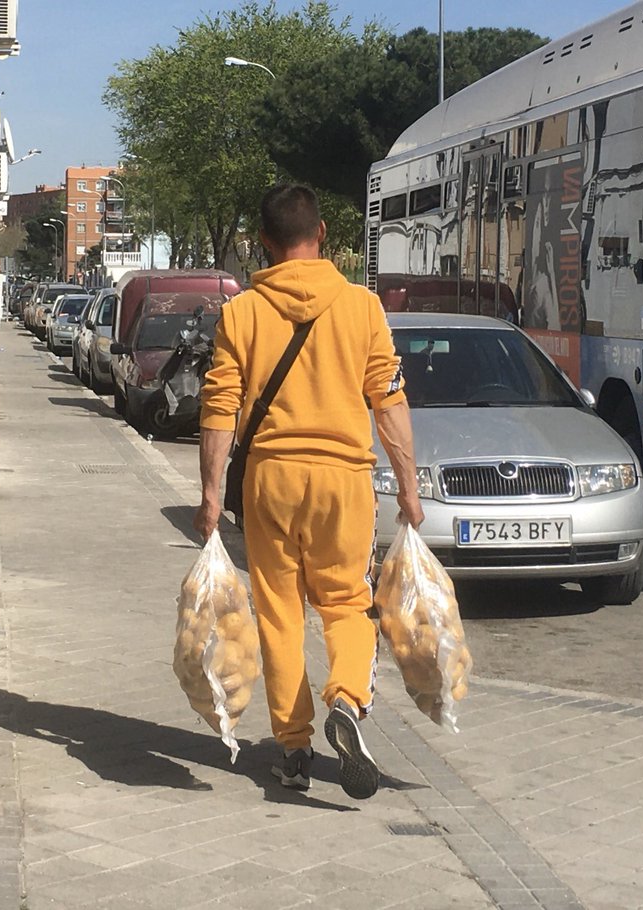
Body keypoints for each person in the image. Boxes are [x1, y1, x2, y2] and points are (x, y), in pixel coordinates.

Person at [194, 184, 424, 800]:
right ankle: (347, 698)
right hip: (345, 480)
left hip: (271, 478)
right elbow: (389, 401)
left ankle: (294, 750)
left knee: (280, 613)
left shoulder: (241, 313)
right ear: (321, 235)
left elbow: (220, 406)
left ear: (264, 245)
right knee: (348, 601)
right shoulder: (363, 308)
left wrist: (212, 494)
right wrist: (409, 486)